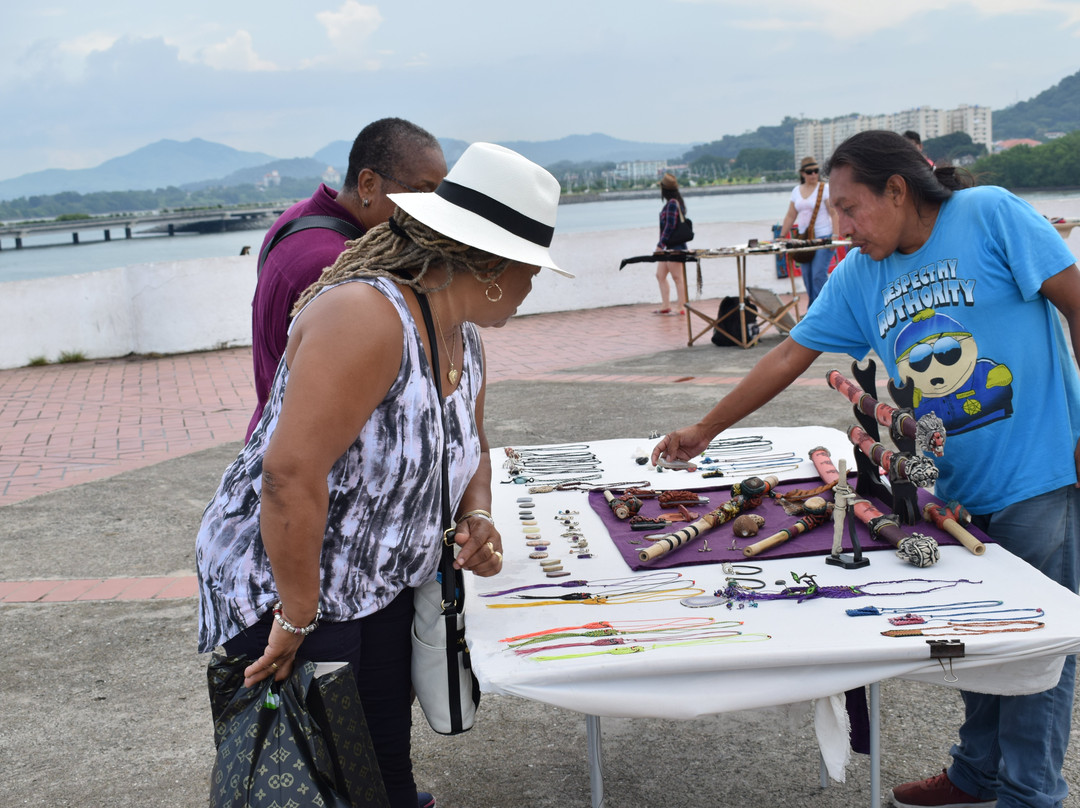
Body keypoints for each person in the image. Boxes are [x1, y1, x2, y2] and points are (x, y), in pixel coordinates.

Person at [652, 129, 1080, 808]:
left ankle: (1031, 795)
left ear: (898, 190)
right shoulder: (859, 275)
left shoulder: (991, 214)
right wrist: (705, 429)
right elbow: (787, 357)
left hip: (1039, 475)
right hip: (951, 487)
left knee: (1033, 649)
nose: (842, 230)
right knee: (975, 632)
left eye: (851, 210)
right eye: (835, 213)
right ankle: (977, 773)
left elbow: (1076, 301)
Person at [197, 142, 572, 808]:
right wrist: (298, 614)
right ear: (489, 265)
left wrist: (476, 514)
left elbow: (472, 450)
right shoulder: (367, 317)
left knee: (381, 773)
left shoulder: (464, 338)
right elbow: (289, 474)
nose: (532, 287)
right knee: (311, 781)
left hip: (380, 587)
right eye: (530, 271)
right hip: (292, 582)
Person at [246, 117, 447, 440]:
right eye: (422, 192)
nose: (431, 209)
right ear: (368, 184)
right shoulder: (339, 269)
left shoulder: (296, 217)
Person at [779, 156, 840, 308]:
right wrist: (781, 236)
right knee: (807, 276)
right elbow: (791, 215)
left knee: (818, 275)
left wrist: (835, 235)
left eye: (816, 171)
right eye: (810, 171)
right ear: (803, 173)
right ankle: (814, 308)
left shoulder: (824, 189)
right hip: (804, 239)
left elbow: (834, 213)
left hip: (823, 237)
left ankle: (822, 309)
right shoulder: (796, 191)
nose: (813, 174)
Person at [653, 172, 690, 315]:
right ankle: (666, 305)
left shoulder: (672, 204)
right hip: (669, 246)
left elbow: (669, 226)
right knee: (660, 275)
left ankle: (681, 307)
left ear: (664, 190)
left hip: (675, 247)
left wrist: (660, 245)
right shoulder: (674, 203)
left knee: (677, 277)